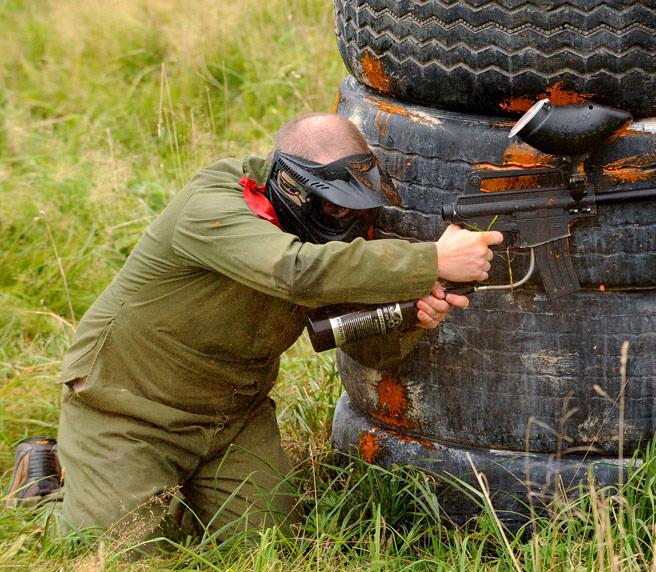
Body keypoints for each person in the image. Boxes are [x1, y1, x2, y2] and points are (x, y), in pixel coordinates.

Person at [5, 112, 503, 542]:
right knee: (116, 547)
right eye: (335, 206)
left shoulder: (336, 237)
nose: (349, 220)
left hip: (232, 419)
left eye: (359, 208)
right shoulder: (213, 207)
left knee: (265, 545)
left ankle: (154, 493)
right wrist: (432, 257)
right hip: (127, 409)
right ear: (290, 185)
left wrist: (413, 315)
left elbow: (372, 351)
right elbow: (296, 272)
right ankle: (43, 487)